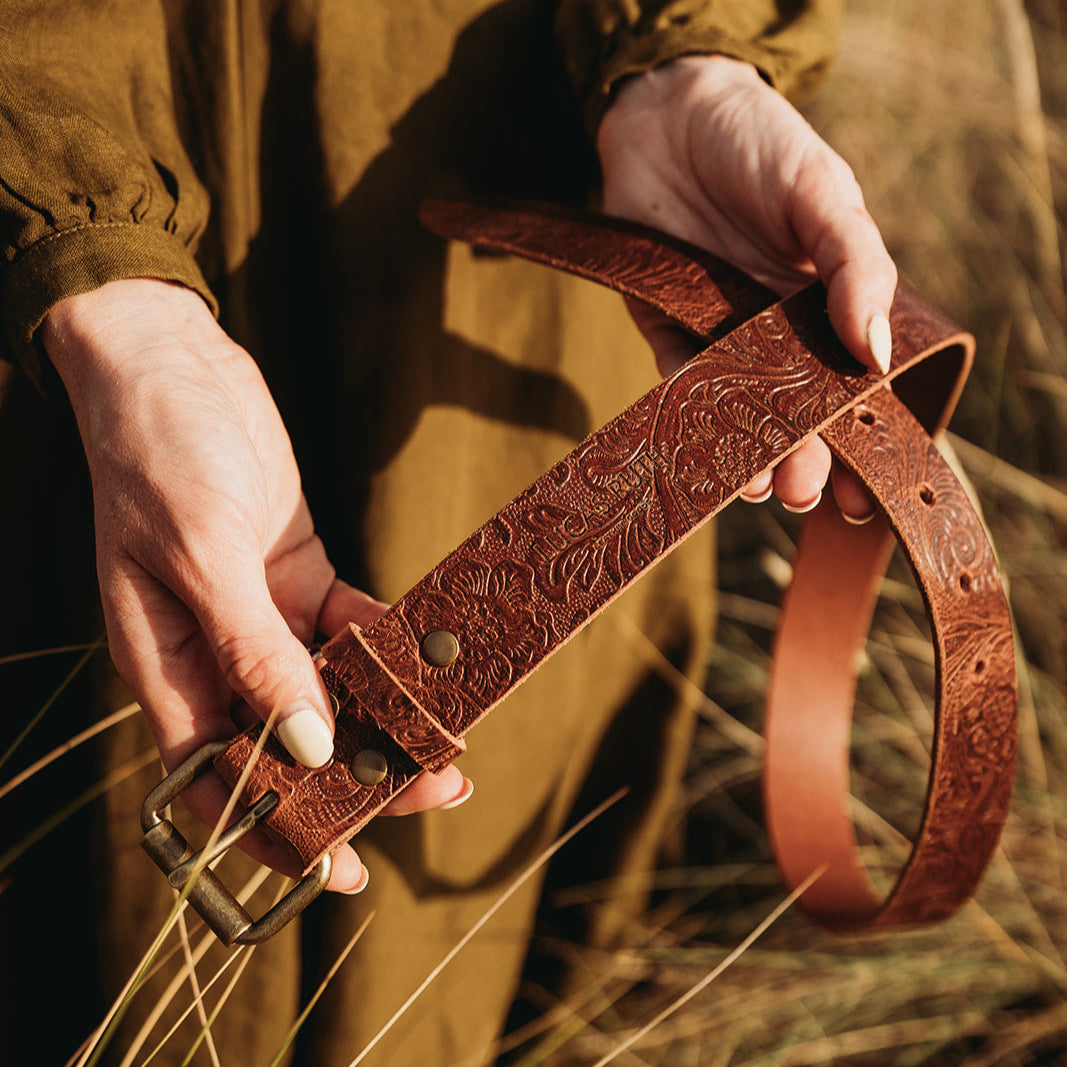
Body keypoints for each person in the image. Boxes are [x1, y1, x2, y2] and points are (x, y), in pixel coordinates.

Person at [0, 2, 895, 1064]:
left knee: (477, 941)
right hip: (95, 274)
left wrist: (676, 51)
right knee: (105, 896)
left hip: (537, 223)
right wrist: (102, 279)